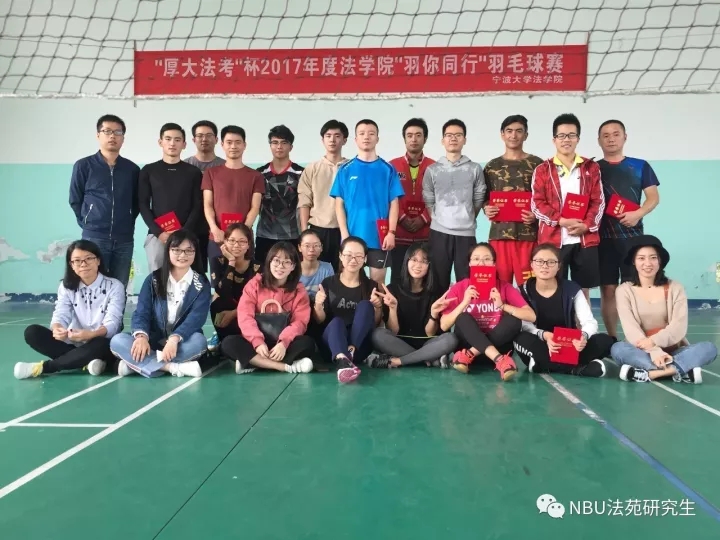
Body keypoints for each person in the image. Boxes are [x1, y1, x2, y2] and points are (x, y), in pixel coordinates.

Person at [611, 235, 717, 383]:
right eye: (641, 258)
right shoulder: (624, 290)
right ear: (634, 262)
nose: (648, 263)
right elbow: (631, 330)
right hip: (642, 350)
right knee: (618, 349)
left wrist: (654, 341)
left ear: (659, 261)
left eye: (653, 257)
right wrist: (654, 351)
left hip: (674, 350)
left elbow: (678, 327)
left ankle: (651, 374)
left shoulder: (675, 287)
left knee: (709, 348)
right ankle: (679, 369)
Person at [14, 240, 126, 379]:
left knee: (101, 343)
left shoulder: (114, 286)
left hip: (100, 342)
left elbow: (113, 323)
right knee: (32, 333)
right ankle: (85, 362)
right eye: (77, 261)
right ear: (71, 265)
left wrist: (91, 334)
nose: (83, 264)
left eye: (88, 258)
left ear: (98, 260)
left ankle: (45, 367)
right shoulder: (66, 286)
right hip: (73, 342)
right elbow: (61, 313)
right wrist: (57, 328)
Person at [109, 230, 210, 378]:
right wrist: (141, 337)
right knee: (117, 340)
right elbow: (142, 311)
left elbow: (196, 318)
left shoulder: (201, 284)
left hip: (182, 342)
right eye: (176, 250)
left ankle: (137, 365)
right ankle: (171, 367)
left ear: (195, 253)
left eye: (189, 250)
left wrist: (174, 339)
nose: (182, 255)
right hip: (153, 339)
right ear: (168, 251)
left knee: (199, 342)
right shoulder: (153, 280)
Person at [531, 113, 605, 301]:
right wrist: (561, 221)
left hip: (584, 239)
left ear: (578, 138)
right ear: (554, 140)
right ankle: (557, 321)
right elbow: (537, 204)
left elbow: (598, 201)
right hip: (553, 240)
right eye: (562, 135)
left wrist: (586, 225)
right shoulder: (543, 169)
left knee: (583, 291)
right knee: (553, 289)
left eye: (571, 135)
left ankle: (583, 321)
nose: (566, 140)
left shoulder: (590, 167)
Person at [597, 119, 661, 338]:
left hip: (632, 240)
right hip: (603, 239)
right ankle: (612, 337)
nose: (611, 139)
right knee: (608, 289)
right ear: (599, 140)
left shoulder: (640, 166)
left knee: (633, 289)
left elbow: (653, 198)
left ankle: (636, 337)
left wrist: (638, 214)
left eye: (616, 134)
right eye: (606, 135)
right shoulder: (593, 169)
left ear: (625, 137)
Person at [513, 243, 614, 377]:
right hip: (540, 344)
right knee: (521, 338)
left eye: (551, 262)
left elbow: (589, 322)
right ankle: (576, 369)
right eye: (539, 261)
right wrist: (544, 335)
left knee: (605, 340)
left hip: (569, 346)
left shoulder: (571, 289)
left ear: (559, 266)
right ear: (532, 264)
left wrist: (583, 337)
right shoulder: (522, 291)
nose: (544, 266)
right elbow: (525, 325)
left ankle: (543, 365)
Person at [440, 242, 536, 380]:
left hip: (487, 350)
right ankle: (499, 360)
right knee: (462, 318)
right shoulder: (459, 287)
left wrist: (502, 306)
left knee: (514, 320)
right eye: (476, 259)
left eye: (486, 259)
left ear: (494, 264)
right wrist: (464, 302)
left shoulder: (504, 287)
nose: (481, 263)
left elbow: (531, 316)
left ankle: (471, 354)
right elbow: (444, 325)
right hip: (469, 346)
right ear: (470, 263)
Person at [221, 242, 315, 375]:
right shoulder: (254, 284)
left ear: (293, 266)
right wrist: (258, 342)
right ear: (269, 262)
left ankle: (253, 363)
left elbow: (300, 322)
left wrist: (283, 343)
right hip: (256, 343)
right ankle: (284, 367)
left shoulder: (299, 290)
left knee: (307, 343)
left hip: (283, 344)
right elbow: (245, 316)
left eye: (287, 262)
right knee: (228, 343)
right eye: (276, 261)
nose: (280, 266)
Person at [69, 114, 140, 290]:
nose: (112, 136)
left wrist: (126, 221)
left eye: (117, 132)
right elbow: (75, 199)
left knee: (119, 286)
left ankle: (116, 311)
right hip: (94, 237)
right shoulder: (84, 165)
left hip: (124, 239)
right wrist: (88, 222)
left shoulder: (132, 169)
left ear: (123, 137)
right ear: (98, 135)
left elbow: (136, 202)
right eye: (107, 131)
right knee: (92, 284)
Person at [330, 119, 405, 284]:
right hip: (352, 236)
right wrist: (344, 234)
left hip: (380, 237)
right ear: (355, 139)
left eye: (371, 133)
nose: (366, 137)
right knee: (350, 281)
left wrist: (391, 233)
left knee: (378, 283)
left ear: (377, 138)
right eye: (362, 133)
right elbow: (339, 205)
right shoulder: (345, 169)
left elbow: (394, 204)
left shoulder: (388, 169)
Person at [366, 242, 459, 368]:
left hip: (428, 343)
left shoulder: (437, 291)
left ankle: (400, 361)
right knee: (377, 335)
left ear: (429, 265)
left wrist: (433, 314)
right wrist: (393, 308)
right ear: (407, 261)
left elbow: (430, 334)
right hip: (400, 343)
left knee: (450, 339)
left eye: (424, 261)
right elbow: (393, 332)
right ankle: (428, 359)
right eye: (414, 260)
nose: (418, 265)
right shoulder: (393, 289)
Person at [423, 118, 486, 293]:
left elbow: (479, 197)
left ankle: (464, 312)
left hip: (466, 234)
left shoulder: (474, 168)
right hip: (439, 232)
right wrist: (437, 217)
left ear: (464, 140)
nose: (453, 138)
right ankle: (438, 312)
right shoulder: (433, 170)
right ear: (442, 140)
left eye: (458, 135)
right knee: (437, 281)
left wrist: (468, 215)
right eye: (449, 135)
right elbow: (428, 197)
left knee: (467, 281)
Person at [482, 115, 543, 285]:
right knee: (498, 285)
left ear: (526, 135)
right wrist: (487, 208)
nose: (513, 135)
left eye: (518, 131)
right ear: (502, 135)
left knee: (530, 286)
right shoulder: (491, 166)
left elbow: (545, 197)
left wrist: (536, 215)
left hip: (528, 235)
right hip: (499, 234)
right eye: (509, 131)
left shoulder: (538, 164)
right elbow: (484, 197)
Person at [202, 125, 265, 289]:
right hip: (217, 238)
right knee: (219, 285)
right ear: (222, 144)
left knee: (247, 286)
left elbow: (255, 207)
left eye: (238, 142)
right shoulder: (211, 173)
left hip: (244, 241)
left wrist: (242, 234)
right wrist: (214, 228)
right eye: (229, 142)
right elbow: (207, 204)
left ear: (244, 145)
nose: (233, 146)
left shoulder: (256, 176)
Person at [138, 123, 206, 274]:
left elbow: (197, 204)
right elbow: (143, 204)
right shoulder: (149, 170)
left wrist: (184, 232)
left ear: (184, 144)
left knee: (188, 278)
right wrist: (159, 233)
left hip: (187, 234)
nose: (172, 143)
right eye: (168, 139)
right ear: (160, 142)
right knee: (158, 278)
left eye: (177, 140)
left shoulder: (193, 172)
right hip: (157, 235)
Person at [313, 237, 383, 383]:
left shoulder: (371, 286)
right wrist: (318, 305)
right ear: (340, 256)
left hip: (359, 348)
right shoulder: (328, 283)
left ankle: (347, 356)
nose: (353, 260)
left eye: (358, 256)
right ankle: (342, 358)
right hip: (333, 344)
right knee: (336, 322)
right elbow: (320, 320)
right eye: (348, 255)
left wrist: (377, 307)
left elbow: (375, 323)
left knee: (365, 305)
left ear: (365, 259)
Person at [297, 119, 349, 271]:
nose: (332, 140)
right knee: (317, 271)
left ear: (344, 140)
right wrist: (305, 232)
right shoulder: (312, 168)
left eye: (337, 136)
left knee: (343, 271)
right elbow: (304, 202)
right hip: (318, 229)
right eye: (328, 136)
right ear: (322, 140)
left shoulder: (351, 168)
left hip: (345, 230)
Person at [388, 118, 435, 285]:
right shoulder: (392, 166)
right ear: (404, 139)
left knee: (425, 281)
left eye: (418, 135)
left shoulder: (435, 167)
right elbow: (387, 197)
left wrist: (424, 218)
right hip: (399, 234)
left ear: (425, 138)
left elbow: (440, 198)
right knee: (397, 278)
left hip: (426, 235)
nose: (414, 139)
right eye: (409, 135)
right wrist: (401, 217)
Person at [255, 125, 305, 264]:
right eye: (275, 142)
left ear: (291, 147)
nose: (279, 146)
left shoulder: (301, 173)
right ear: (270, 146)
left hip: (293, 235)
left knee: (291, 272)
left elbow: (305, 205)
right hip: (265, 235)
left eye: (284, 142)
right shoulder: (259, 173)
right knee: (262, 273)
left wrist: (304, 233)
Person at [209, 223, 260, 343]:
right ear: (225, 242)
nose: (236, 245)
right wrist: (231, 262)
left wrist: (234, 313)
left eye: (242, 241)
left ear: (248, 245)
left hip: (250, 310)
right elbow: (222, 292)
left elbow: (259, 299)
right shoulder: (217, 261)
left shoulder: (257, 267)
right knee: (217, 304)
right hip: (228, 305)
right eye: (231, 240)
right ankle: (222, 339)